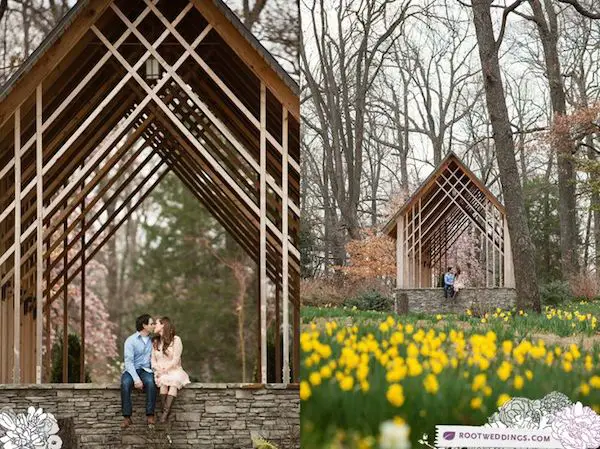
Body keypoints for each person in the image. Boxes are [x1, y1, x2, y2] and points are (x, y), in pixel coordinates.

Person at [121, 314, 157, 429]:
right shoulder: (130, 341)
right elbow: (129, 362)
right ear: (144, 325)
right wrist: (136, 379)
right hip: (131, 370)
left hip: (146, 370)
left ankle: (150, 415)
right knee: (125, 384)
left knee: (151, 383)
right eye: (151, 324)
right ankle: (127, 417)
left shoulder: (153, 341)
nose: (154, 326)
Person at [152, 317, 191, 423]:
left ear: (163, 325)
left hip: (175, 370)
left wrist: (166, 369)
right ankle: (166, 413)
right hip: (160, 371)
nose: (155, 325)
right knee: (163, 383)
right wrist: (159, 369)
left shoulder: (176, 340)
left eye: (157, 323)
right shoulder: (156, 342)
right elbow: (153, 361)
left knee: (173, 382)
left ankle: (165, 414)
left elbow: (175, 360)